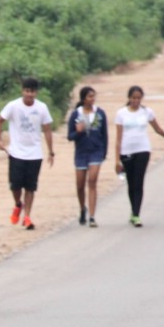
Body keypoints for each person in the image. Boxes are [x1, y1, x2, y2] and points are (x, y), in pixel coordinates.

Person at [0, 77, 55, 230]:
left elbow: (47, 129)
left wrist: (51, 151)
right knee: (15, 186)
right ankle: (18, 204)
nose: (29, 94)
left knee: (30, 187)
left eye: (32, 92)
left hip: (35, 153)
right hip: (16, 152)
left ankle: (27, 216)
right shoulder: (13, 106)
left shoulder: (41, 108)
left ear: (36, 92)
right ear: (23, 91)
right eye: (27, 91)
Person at [114, 85, 164, 227]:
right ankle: (133, 209)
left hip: (143, 150)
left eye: (138, 98)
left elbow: (157, 128)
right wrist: (117, 159)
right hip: (126, 150)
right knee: (131, 183)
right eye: (133, 98)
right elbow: (118, 138)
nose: (136, 100)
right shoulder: (121, 113)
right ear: (129, 98)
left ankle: (136, 214)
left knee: (139, 181)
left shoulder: (147, 112)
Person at [66, 86, 107, 228]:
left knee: (92, 181)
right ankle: (82, 208)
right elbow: (69, 136)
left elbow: (105, 134)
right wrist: (78, 132)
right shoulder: (75, 114)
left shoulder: (100, 113)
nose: (92, 99)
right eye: (89, 96)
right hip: (81, 152)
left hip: (96, 151)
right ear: (83, 99)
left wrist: (104, 153)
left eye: (93, 96)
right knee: (80, 185)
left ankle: (92, 216)